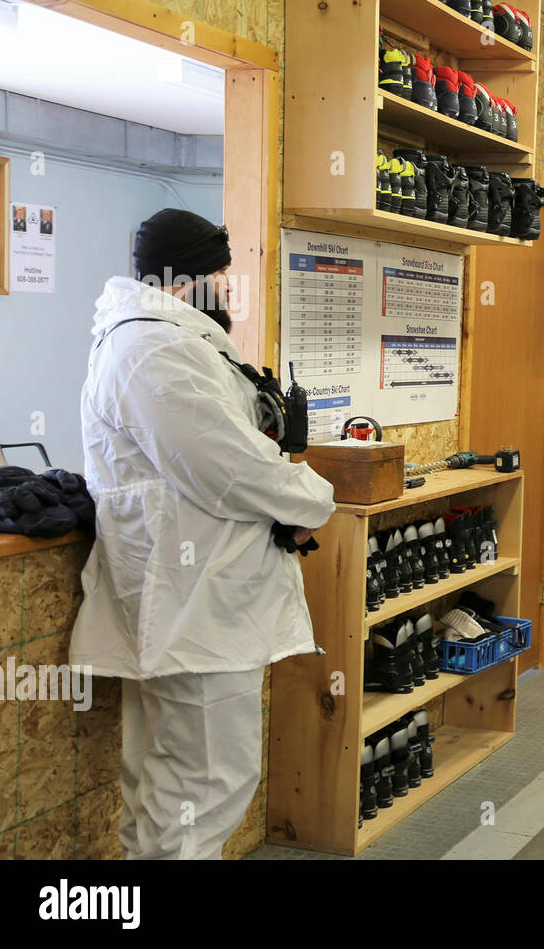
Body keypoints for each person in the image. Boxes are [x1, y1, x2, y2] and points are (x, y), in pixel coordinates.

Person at [69, 208, 337, 859]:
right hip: (195, 611)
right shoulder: (154, 348)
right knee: (207, 782)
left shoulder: (162, 343)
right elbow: (226, 467)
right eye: (220, 271)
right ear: (185, 277)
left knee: (165, 790)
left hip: (190, 604)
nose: (227, 283)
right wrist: (311, 498)